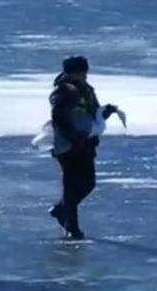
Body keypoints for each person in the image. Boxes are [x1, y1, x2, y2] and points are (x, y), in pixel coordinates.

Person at [48, 55, 118, 240]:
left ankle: (62, 211)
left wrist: (105, 112)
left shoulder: (86, 89)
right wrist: (73, 138)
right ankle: (72, 226)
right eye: (82, 71)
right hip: (69, 146)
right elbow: (59, 118)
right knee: (72, 186)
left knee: (88, 183)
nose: (84, 74)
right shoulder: (64, 90)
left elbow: (92, 112)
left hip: (85, 144)